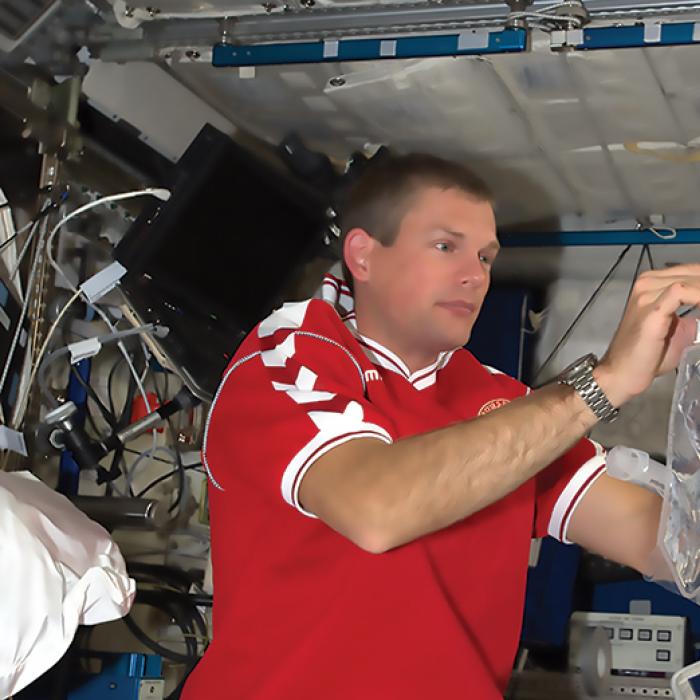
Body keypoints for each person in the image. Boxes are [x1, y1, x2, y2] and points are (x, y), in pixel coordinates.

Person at [182, 153, 700, 699]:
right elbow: (376, 509)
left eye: (485, 256)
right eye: (445, 246)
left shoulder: (503, 402)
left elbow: (668, 544)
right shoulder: (292, 353)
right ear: (363, 254)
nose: (474, 275)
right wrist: (606, 382)